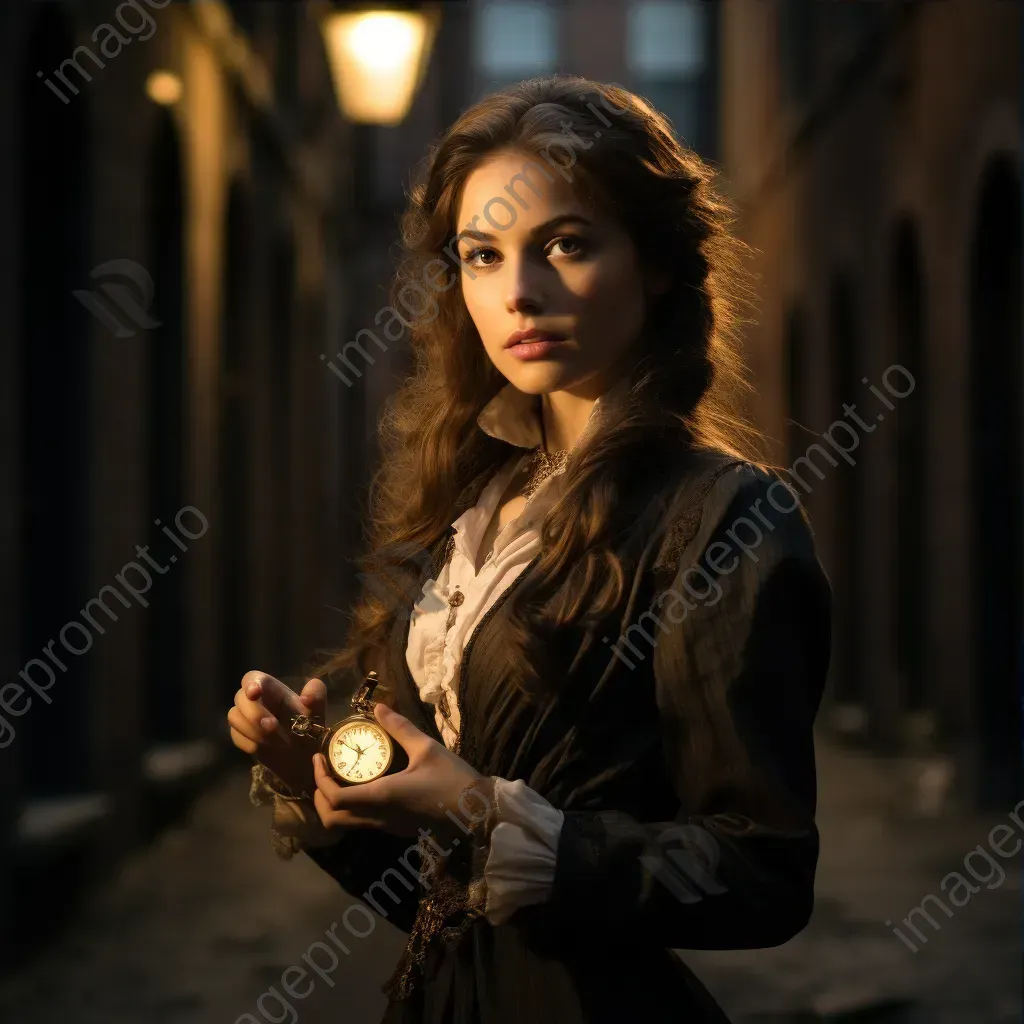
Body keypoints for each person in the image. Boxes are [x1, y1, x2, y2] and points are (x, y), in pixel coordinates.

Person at [227, 76, 832, 1024]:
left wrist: (482, 810)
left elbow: (763, 874)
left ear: (659, 262)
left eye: (566, 244)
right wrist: (321, 784)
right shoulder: (472, 509)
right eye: (481, 255)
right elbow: (442, 900)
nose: (518, 292)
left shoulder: (723, 519)